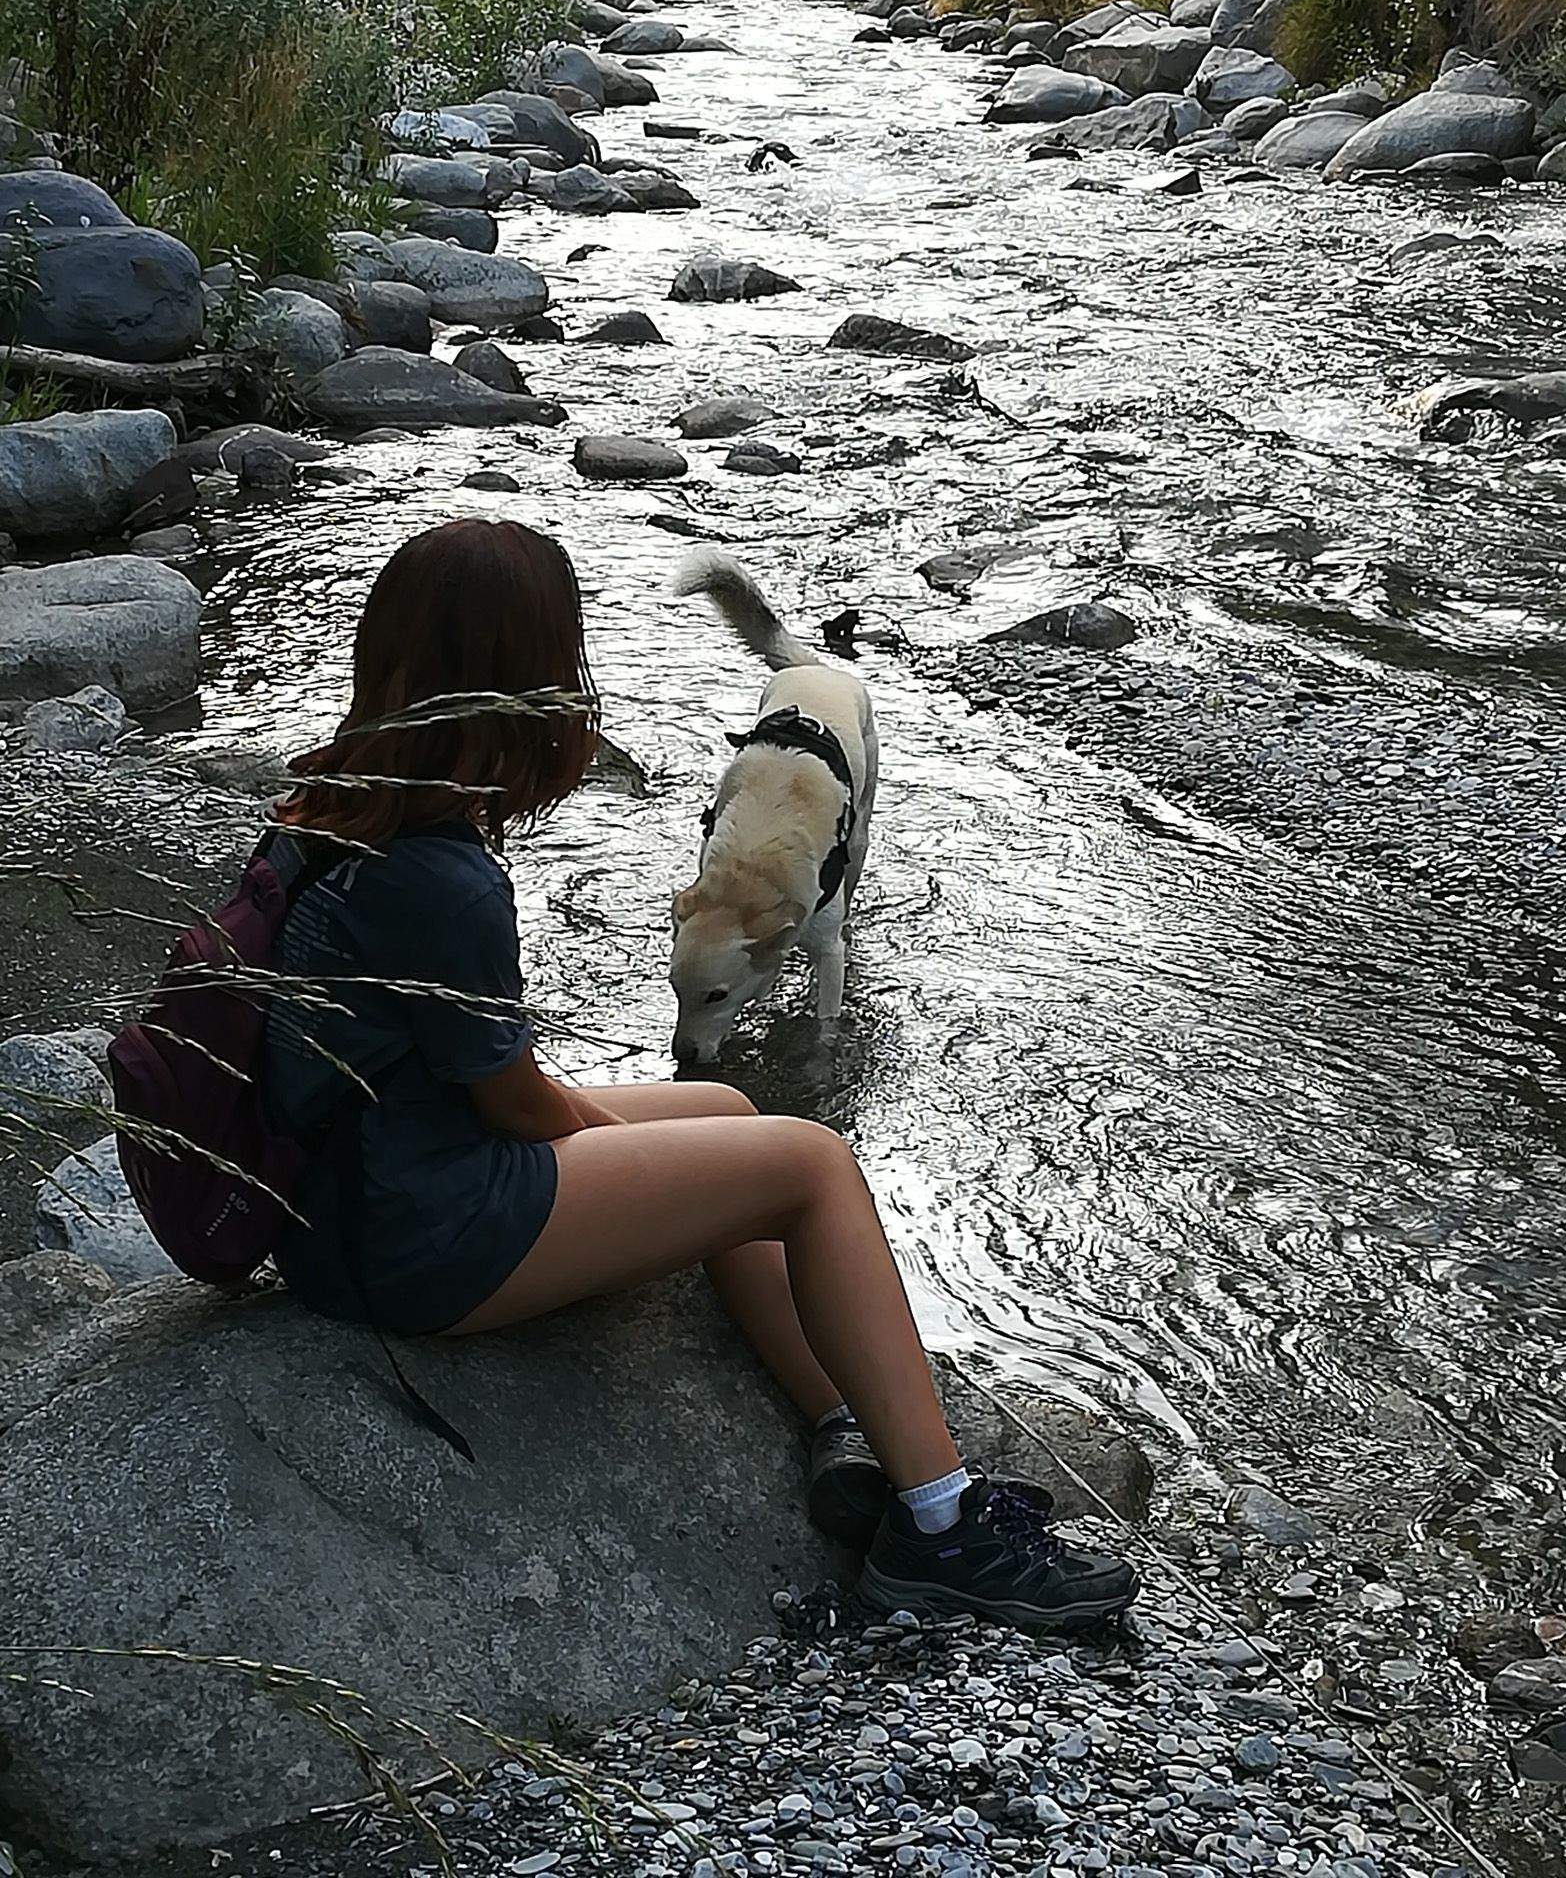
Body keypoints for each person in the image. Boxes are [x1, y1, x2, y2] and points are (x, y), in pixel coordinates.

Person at [261, 518, 1137, 1631]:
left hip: (349, 1192)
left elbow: (457, 1070)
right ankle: (941, 1529)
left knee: (727, 1107)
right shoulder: (440, 873)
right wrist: (595, 1132)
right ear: (526, 688)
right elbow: (518, 1103)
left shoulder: (333, 802)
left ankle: (845, 1431)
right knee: (811, 1161)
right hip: (417, 1233)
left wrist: (612, 1133)